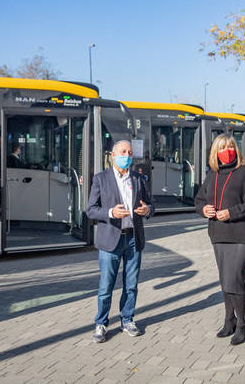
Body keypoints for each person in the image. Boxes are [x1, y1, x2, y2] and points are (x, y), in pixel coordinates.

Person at [195, 133, 245, 346]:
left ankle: (242, 324)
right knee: (226, 279)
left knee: (234, 277)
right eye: (222, 148)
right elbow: (199, 200)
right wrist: (203, 209)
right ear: (215, 152)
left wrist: (232, 213)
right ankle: (229, 320)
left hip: (243, 233)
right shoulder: (212, 174)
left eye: (231, 147)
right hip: (218, 233)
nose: (227, 151)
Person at [87, 140, 154, 343]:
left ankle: (128, 319)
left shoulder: (138, 178)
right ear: (113, 155)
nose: (127, 155)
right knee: (106, 286)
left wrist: (147, 210)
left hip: (133, 238)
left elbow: (151, 205)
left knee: (131, 285)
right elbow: (91, 210)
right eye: (123, 152)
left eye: (130, 152)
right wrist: (110, 212)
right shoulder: (101, 179)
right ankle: (101, 323)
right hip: (111, 239)